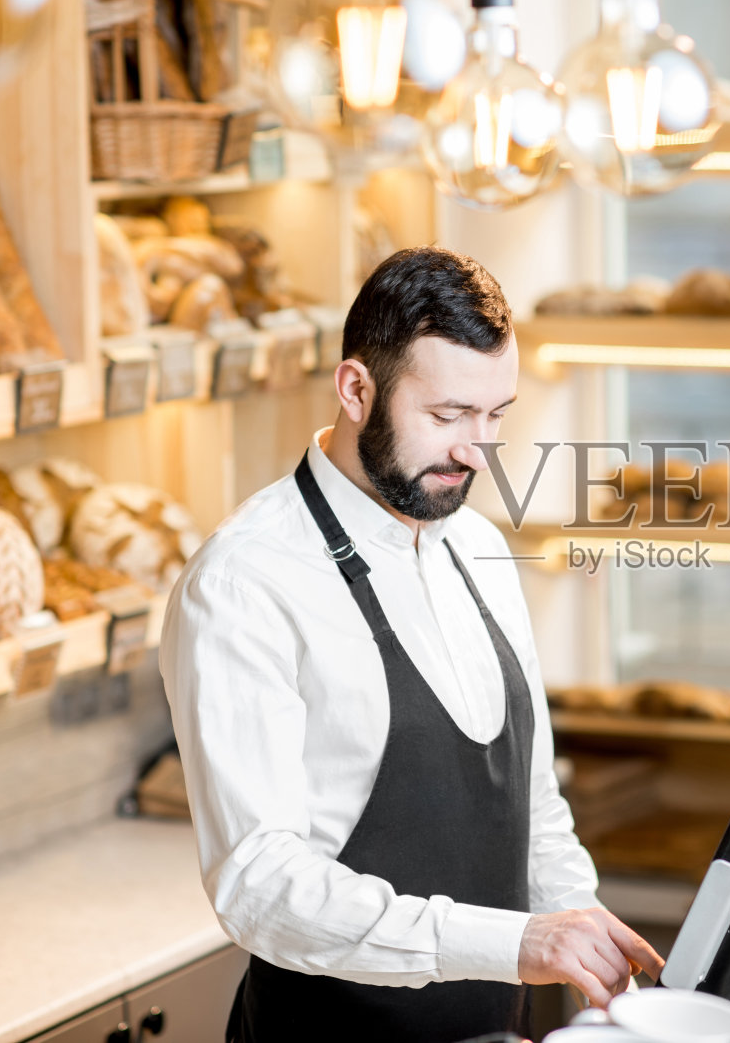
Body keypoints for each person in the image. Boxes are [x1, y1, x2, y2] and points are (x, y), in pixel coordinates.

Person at [161, 247, 663, 1043]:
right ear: (356, 389)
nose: (477, 450)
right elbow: (259, 886)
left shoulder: (481, 546)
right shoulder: (245, 581)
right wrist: (517, 942)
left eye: (496, 414)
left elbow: (531, 808)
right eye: (448, 416)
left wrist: (581, 930)